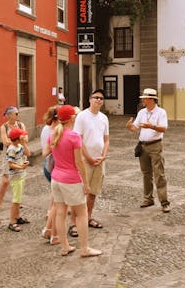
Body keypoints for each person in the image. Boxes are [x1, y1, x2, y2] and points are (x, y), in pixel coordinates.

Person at [43, 105, 102, 257]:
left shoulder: (54, 134)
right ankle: (85, 248)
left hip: (56, 178)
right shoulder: (74, 136)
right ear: (71, 118)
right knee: (82, 214)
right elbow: (79, 162)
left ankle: (65, 247)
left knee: (60, 213)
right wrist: (86, 183)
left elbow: (48, 153)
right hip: (71, 179)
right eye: (74, 115)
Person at [69, 89, 110, 236]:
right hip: (85, 160)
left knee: (93, 192)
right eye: (96, 97)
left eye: (101, 98)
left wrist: (103, 156)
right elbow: (78, 140)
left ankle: (88, 218)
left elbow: (106, 140)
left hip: (99, 160)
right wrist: (89, 158)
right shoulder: (82, 116)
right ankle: (73, 223)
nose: (99, 100)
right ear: (89, 99)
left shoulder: (104, 118)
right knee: (79, 193)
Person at [125, 88, 171, 213]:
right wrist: (130, 126)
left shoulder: (161, 112)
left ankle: (164, 202)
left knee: (159, 174)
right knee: (146, 174)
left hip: (155, 145)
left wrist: (152, 126)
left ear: (151, 99)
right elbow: (136, 128)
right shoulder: (142, 112)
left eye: (145, 98)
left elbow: (164, 129)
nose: (143, 100)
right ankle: (148, 198)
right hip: (143, 146)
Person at [0, 106, 27, 210]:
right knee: (5, 181)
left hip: (19, 155)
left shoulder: (20, 125)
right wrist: (19, 140)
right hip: (8, 155)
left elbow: (26, 139)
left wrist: (14, 140)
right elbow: (5, 142)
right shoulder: (4, 127)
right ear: (9, 115)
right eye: (16, 114)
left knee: (18, 179)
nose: (18, 115)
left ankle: (16, 202)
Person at [39, 106, 60, 244]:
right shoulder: (55, 130)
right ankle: (51, 232)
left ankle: (48, 216)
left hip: (47, 165)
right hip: (53, 165)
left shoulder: (46, 128)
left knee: (55, 195)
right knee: (59, 201)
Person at [5, 127, 31, 232]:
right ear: (17, 138)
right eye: (22, 136)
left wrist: (24, 143)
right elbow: (10, 164)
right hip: (16, 176)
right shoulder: (11, 149)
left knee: (18, 198)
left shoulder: (19, 145)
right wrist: (21, 167)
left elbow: (28, 154)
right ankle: (12, 221)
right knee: (16, 200)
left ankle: (17, 217)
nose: (24, 137)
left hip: (21, 175)